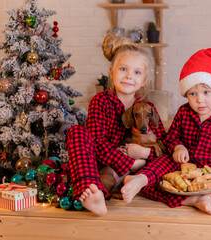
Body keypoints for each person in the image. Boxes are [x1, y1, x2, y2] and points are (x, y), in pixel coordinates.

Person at [131, 48, 211, 215]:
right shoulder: (184, 112)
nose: (199, 99)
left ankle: (201, 196)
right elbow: (172, 136)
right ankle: (142, 179)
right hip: (183, 170)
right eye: (193, 93)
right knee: (161, 165)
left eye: (206, 92)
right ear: (186, 95)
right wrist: (178, 147)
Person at [65, 34, 168, 216]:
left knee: (169, 158)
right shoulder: (100, 102)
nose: (129, 76)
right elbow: (97, 142)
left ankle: (136, 183)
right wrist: (130, 162)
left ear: (143, 80)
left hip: (142, 170)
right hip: (107, 168)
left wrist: (144, 154)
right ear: (112, 73)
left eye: (137, 72)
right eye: (123, 69)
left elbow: (164, 144)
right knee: (77, 132)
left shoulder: (148, 108)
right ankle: (93, 191)